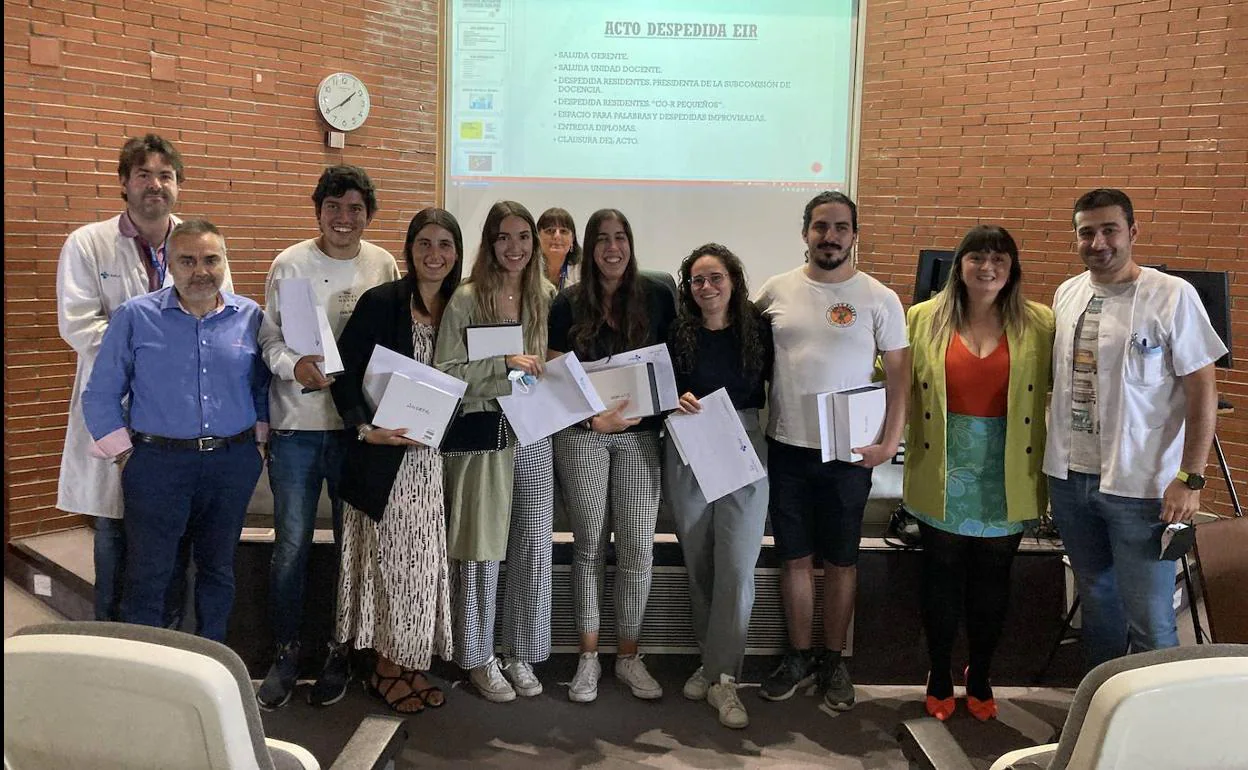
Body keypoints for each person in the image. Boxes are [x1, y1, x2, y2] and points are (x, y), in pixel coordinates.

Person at [1045, 189, 1225, 670]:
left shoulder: (1172, 295)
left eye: (1109, 230)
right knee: (1098, 607)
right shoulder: (1067, 293)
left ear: (1133, 232)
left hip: (1141, 487)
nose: (1098, 242)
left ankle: (1156, 732)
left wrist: (1191, 477)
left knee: (1151, 619)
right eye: (1087, 232)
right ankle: (1100, 718)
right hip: (1069, 478)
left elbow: (1202, 388)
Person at [754, 191, 910, 712]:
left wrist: (890, 439)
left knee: (842, 562)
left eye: (841, 227)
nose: (830, 236)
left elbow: (900, 374)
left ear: (854, 234)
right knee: (794, 560)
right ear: (805, 233)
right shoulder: (774, 291)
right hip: (788, 447)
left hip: (849, 453)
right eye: (821, 226)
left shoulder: (878, 297)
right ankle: (798, 655)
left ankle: (833, 659)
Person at [56, 134, 220, 623]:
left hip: (176, 417)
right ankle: (110, 637)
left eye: (166, 175)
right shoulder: (89, 244)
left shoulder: (199, 246)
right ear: (123, 182)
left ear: (178, 185)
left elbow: (213, 313)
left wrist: (158, 347)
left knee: (170, 531)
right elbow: (79, 324)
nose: (155, 184)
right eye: (144, 174)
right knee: (112, 530)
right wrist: (152, 351)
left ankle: (166, 639)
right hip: (115, 405)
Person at [80, 219, 268, 642]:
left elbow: (261, 386)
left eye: (211, 259)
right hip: (157, 466)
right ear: (169, 263)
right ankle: (149, 673)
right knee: (150, 573)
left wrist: (257, 443)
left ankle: (212, 664)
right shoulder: (136, 316)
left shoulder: (250, 317)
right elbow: (100, 394)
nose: (200, 270)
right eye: (187, 260)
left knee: (219, 570)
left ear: (225, 262)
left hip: (231, 464)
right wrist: (126, 455)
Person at [255, 165, 400, 709]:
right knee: (289, 547)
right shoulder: (289, 263)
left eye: (356, 208)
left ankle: (342, 650)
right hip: (296, 428)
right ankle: (287, 651)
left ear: (369, 214)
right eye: (334, 206)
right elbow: (269, 340)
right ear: (318, 208)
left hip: (354, 430)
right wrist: (295, 367)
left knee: (350, 547)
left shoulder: (382, 263)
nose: (344, 218)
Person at [903, 225, 1054, 721]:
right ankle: (941, 671)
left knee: (993, 577)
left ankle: (982, 672)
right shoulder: (922, 318)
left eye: (1000, 259)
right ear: (959, 264)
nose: (987, 268)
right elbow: (895, 381)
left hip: (1006, 466)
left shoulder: (1040, 323)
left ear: (1012, 269)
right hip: (941, 463)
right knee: (940, 574)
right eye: (977, 257)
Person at [329, 208, 463, 713]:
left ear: (457, 252)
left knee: (423, 568)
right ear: (410, 249)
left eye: (445, 244)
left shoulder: (460, 306)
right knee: (393, 567)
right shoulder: (382, 301)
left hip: (434, 461)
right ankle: (386, 670)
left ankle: (409, 662)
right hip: (386, 461)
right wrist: (366, 430)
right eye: (424, 243)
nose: (435, 254)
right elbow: (342, 375)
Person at [547, 208, 676, 703]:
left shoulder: (658, 296)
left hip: (641, 438)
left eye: (620, 237)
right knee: (589, 545)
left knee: (639, 546)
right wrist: (591, 419)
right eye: (601, 239)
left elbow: (671, 364)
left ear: (631, 243)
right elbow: (558, 376)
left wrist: (663, 405)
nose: (611, 248)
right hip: (584, 435)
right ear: (589, 247)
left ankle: (628, 655)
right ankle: (587, 658)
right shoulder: (568, 303)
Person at [434, 201, 557, 703]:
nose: (515, 247)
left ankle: (520, 652)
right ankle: (479, 656)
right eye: (504, 237)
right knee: (482, 550)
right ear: (489, 242)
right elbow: (445, 372)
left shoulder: (546, 295)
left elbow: (552, 362)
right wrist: (502, 366)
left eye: (523, 236)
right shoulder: (466, 298)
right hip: (484, 435)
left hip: (534, 432)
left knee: (533, 544)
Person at [666, 244, 773, 729]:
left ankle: (724, 678)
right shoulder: (676, 334)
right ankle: (712, 664)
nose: (706, 288)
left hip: (742, 444)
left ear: (734, 279)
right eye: (696, 280)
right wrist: (675, 398)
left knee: (737, 563)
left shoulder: (759, 330)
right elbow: (656, 389)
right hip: (689, 443)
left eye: (715, 278)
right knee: (700, 560)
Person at [538, 207, 581, 290]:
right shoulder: (527, 269)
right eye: (550, 230)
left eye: (563, 231)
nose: (557, 236)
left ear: (572, 239)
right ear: (538, 237)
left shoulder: (581, 271)